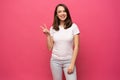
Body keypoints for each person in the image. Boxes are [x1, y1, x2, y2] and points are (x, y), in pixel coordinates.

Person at [40, 3, 80, 80]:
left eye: (64, 11)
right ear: (56, 14)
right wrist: (48, 36)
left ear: (67, 13)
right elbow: (50, 48)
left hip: (69, 61)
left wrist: (72, 64)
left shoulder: (73, 27)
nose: (62, 13)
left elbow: (76, 46)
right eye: (59, 11)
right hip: (55, 61)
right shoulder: (53, 28)